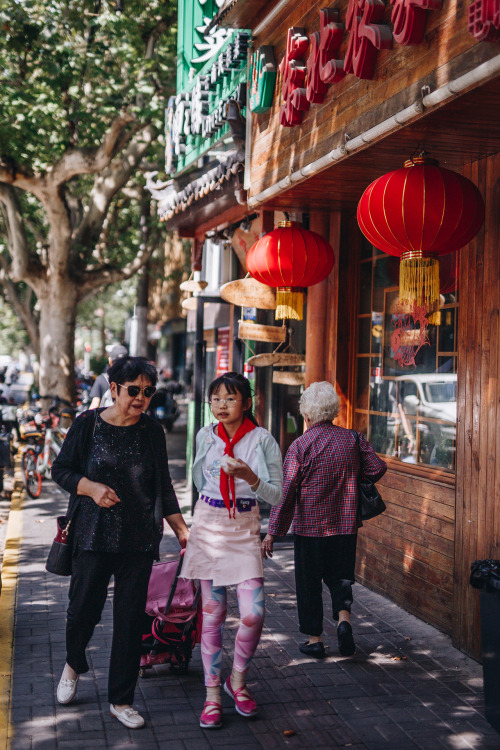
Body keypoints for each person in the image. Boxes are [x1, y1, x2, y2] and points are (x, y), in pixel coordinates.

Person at [51, 356, 189, 729]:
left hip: (139, 539)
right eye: (134, 390)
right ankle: (73, 663)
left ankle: (121, 699)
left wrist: (181, 530)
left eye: (148, 391)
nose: (141, 398)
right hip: (92, 537)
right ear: (113, 389)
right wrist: (91, 488)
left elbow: (163, 485)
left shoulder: (152, 431)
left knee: (130, 622)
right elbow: (60, 470)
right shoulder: (87, 425)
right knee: (82, 612)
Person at [181, 372, 283, 730]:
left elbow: (278, 495)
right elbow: (198, 480)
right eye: (216, 399)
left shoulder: (263, 440)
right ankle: (212, 695)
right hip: (209, 525)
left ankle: (237, 680)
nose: (221, 405)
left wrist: (251, 478)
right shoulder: (204, 436)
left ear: (247, 403)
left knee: (254, 613)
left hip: (243, 528)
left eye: (230, 398)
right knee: (213, 614)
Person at [261, 381, 386, 660]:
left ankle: (315, 640)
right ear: (333, 412)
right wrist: (354, 475)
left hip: (310, 529)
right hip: (345, 525)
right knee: (341, 578)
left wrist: (272, 533)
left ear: (306, 415)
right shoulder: (353, 439)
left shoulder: (299, 446)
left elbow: (286, 493)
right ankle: (344, 622)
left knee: (308, 584)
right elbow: (378, 468)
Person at [88, 344, 128, 409]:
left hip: (107, 418)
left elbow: (95, 404)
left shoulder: (101, 379)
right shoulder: (132, 380)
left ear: (110, 361)